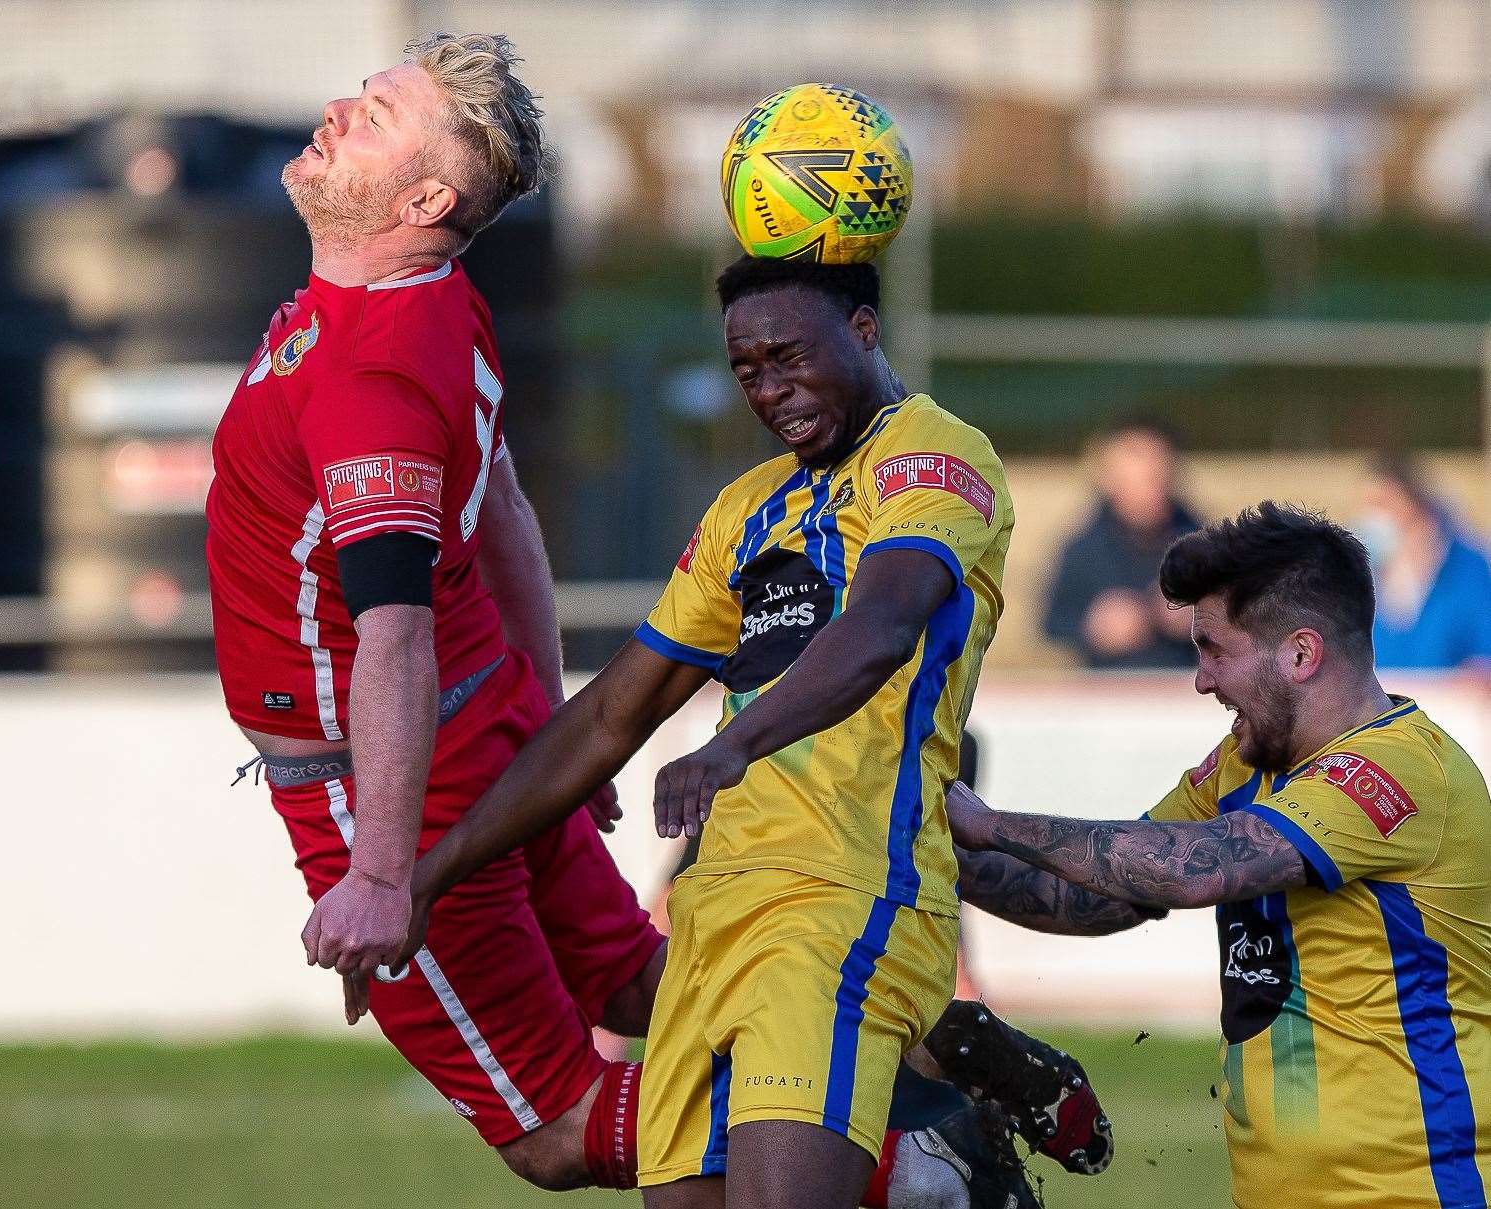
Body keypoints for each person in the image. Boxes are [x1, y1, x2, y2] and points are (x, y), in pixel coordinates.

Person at [364, 253, 1113, 1209]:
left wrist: (735, 741)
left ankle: (928, 1142)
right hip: (709, 919)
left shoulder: (934, 454)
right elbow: (608, 714)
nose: (770, 387)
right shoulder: (745, 508)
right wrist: (422, 875)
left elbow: (880, 627)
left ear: (865, 331)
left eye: (789, 356)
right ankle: (927, 1141)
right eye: (748, 369)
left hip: (844, 895)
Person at [206, 34, 668, 1192]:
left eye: (372, 115)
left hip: (397, 781)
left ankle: (902, 1162)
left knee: (554, 1129)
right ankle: (911, 1052)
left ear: (422, 197)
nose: (333, 112)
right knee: (634, 989)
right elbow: (503, 504)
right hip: (487, 719)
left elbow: (393, 632)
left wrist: (375, 872)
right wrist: (556, 733)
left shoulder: (370, 371)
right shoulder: (428, 298)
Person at [949, 502, 1491, 1209]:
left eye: (1214, 650)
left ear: (1300, 653)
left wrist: (987, 823)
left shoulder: (1396, 769)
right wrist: (920, 842)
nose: (1200, 679)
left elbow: (1193, 866)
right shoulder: (1245, 768)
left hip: (1415, 1192)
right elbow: (1098, 894)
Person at [1043, 421, 1201, 668]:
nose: (1149, 493)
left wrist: (1205, 615)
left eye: (1157, 479)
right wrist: (1095, 625)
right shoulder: (1083, 548)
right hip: (1109, 693)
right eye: (1137, 482)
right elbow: (1053, 621)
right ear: (1110, 482)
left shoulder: (1205, 542)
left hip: (1188, 690)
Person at [1355, 455, 1491, 671]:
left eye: (1382, 504)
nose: (1374, 517)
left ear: (1418, 507)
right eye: (1368, 506)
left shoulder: (1468, 569)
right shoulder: (1365, 576)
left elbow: (1483, 654)